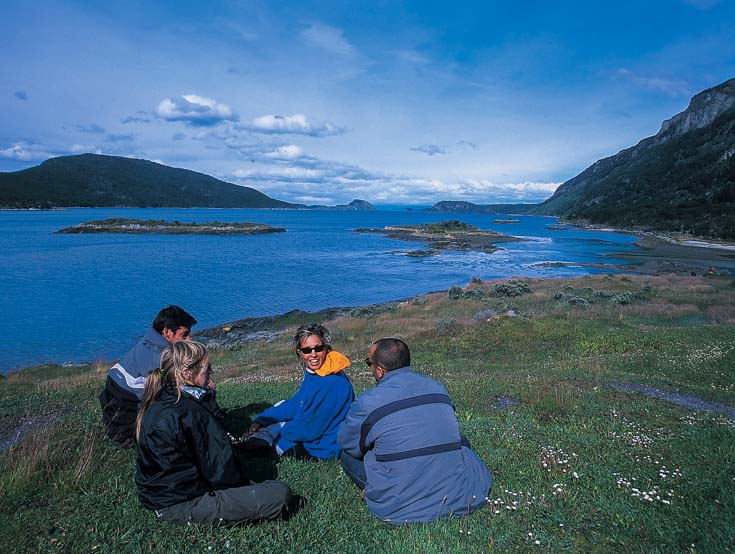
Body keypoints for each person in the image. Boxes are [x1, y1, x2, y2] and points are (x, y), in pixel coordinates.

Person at [135, 340, 293, 525]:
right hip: (181, 503)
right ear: (187, 373)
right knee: (279, 494)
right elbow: (222, 469)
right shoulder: (191, 411)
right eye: (207, 367)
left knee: (259, 488)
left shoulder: (162, 396)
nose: (212, 371)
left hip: (159, 495)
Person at [338, 338, 492, 524]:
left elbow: (350, 444)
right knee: (460, 441)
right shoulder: (438, 388)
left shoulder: (368, 402)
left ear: (379, 370)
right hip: (461, 495)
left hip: (400, 506)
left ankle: (371, 488)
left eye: (368, 363)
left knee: (347, 456)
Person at [244, 323, 354, 460]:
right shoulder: (318, 371)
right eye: (307, 350)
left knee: (277, 438)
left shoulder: (331, 382)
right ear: (300, 353)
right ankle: (260, 438)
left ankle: (258, 443)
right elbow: (297, 403)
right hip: (312, 431)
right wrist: (263, 419)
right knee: (280, 406)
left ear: (327, 348)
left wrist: (278, 431)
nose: (313, 355)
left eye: (318, 348)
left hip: (321, 448)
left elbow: (309, 430)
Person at [99, 305, 197, 447]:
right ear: (167, 332)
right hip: (128, 430)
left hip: (118, 410)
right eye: (184, 334)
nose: (189, 340)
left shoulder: (148, 342)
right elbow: (169, 395)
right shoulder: (160, 357)